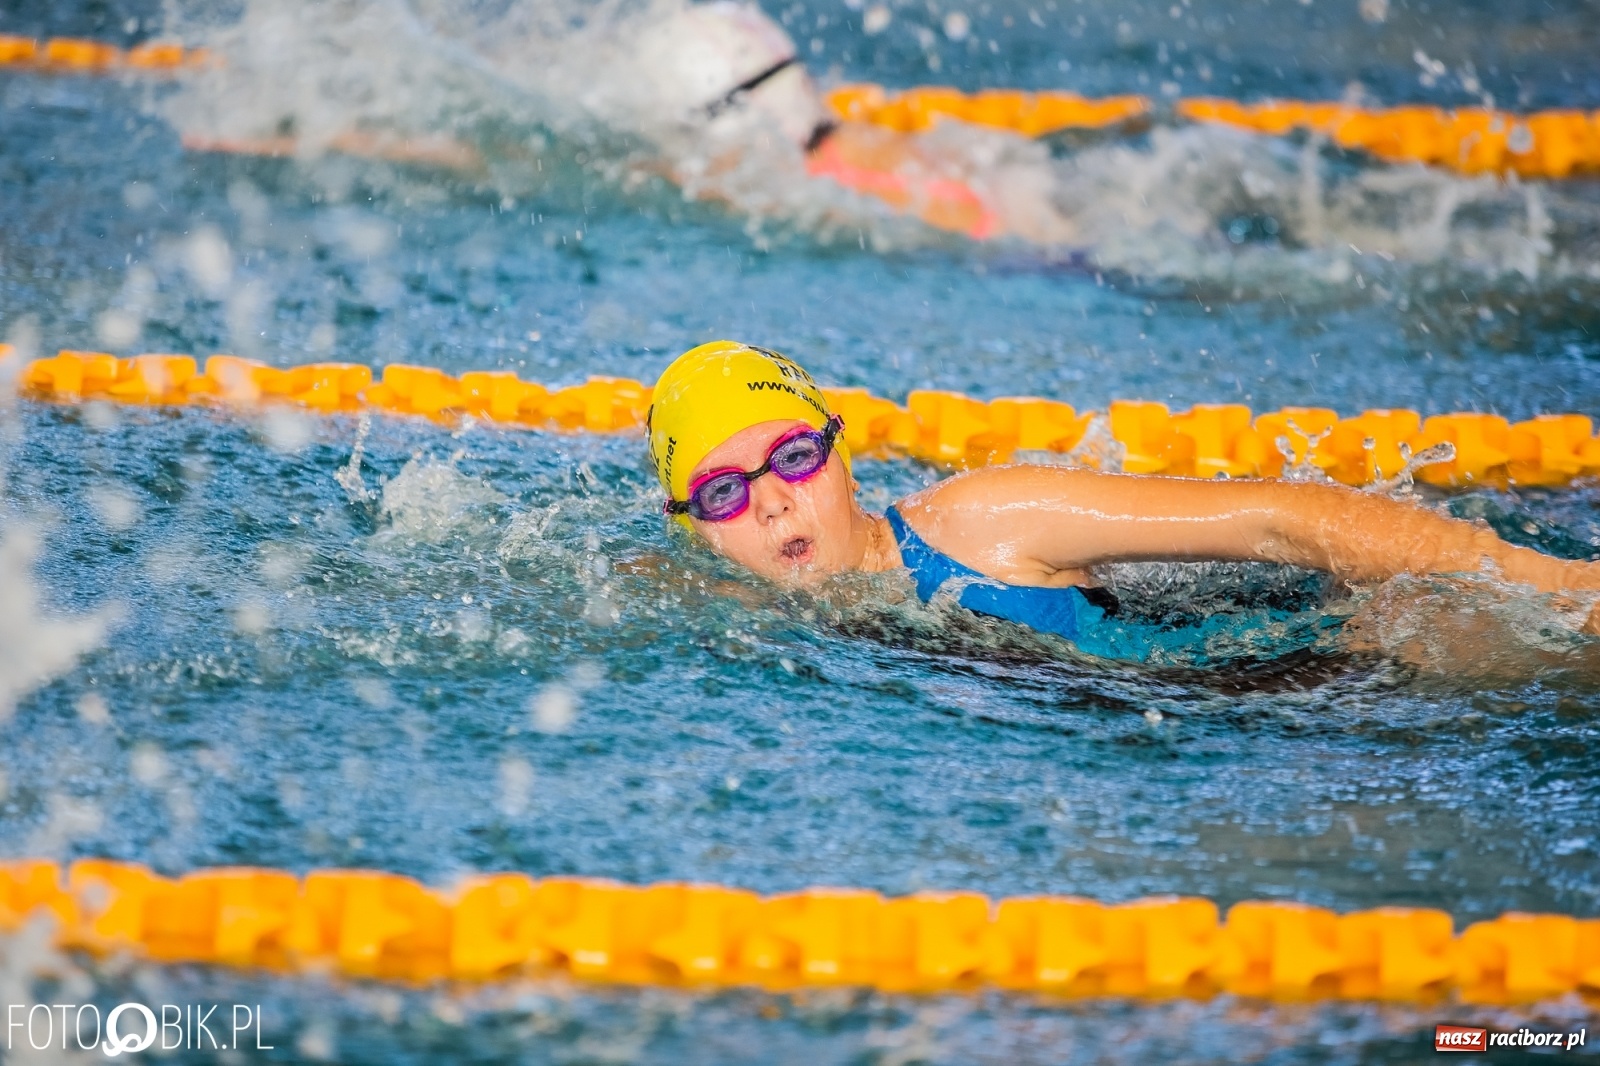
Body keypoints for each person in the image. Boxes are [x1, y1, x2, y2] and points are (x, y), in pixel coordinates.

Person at [647, 341, 1600, 651]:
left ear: (842, 456)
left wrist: (1547, 578)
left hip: (1343, 673)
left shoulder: (982, 520)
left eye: (794, 457)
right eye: (724, 491)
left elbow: (1280, 517)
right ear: (692, 527)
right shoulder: (721, 611)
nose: (771, 503)